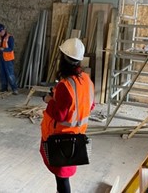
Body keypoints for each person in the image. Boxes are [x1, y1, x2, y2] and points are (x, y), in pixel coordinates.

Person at [39, 38, 95, 193]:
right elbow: (90, 105)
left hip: (61, 139)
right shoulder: (86, 80)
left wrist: (49, 100)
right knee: (63, 178)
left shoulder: (66, 85)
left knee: (62, 180)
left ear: (63, 59)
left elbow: (60, 114)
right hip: (77, 137)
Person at [0, 23, 18, 94]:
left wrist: (3, 49)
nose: (0, 33)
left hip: (8, 59)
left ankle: (15, 89)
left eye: (1, 32)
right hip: (1, 58)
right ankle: (4, 88)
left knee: (10, 74)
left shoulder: (10, 37)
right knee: (2, 74)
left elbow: (11, 48)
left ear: (4, 30)